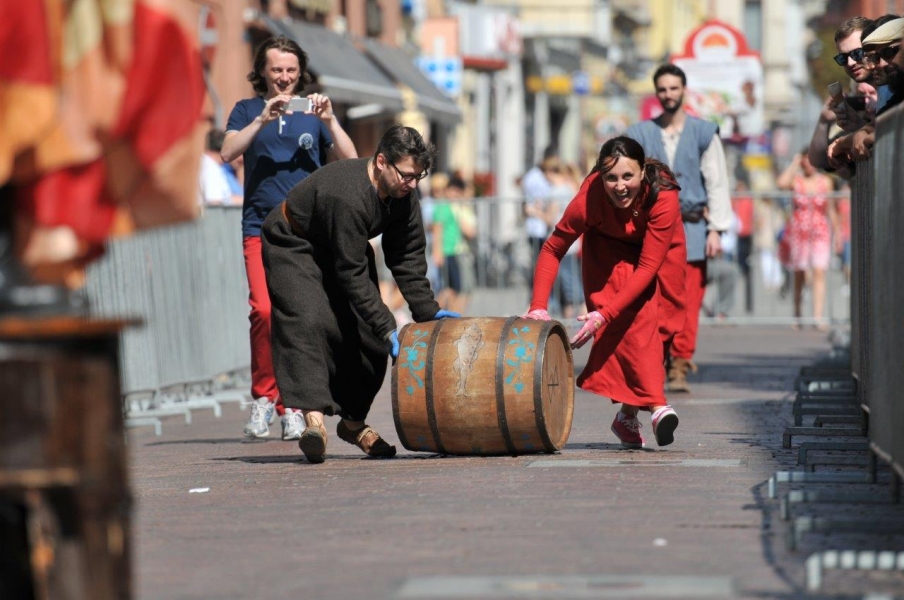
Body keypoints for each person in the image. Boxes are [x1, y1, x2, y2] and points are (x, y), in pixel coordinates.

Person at [260, 125, 459, 463]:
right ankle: (314, 426)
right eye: (407, 175)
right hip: (294, 242)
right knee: (308, 321)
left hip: (342, 248)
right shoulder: (347, 195)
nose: (412, 184)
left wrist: (426, 310)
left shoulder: (404, 194)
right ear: (381, 162)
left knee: (370, 337)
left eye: (418, 177)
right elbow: (351, 274)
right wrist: (387, 324)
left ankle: (353, 424)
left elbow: (407, 255)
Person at [221, 35, 357, 441]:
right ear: (263, 72)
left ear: (301, 73)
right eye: (277, 69)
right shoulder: (247, 109)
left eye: (291, 70)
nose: (284, 77)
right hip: (258, 227)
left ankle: (294, 406)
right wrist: (262, 119)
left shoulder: (313, 112)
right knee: (263, 311)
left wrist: (330, 121)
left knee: (297, 317)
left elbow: (351, 160)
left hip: (303, 232)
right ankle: (264, 398)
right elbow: (227, 152)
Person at [523, 136, 686, 449]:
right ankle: (657, 406)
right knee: (635, 317)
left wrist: (604, 316)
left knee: (665, 323)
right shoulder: (589, 197)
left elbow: (648, 267)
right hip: (608, 248)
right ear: (600, 175)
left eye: (628, 176)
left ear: (643, 172)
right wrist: (538, 307)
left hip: (658, 249)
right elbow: (553, 247)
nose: (620, 186)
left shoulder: (663, 195)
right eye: (611, 177)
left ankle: (626, 417)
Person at [626, 64, 732, 393]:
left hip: (693, 228)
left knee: (688, 300)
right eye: (662, 89)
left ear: (683, 90)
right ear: (656, 92)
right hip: (652, 230)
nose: (668, 94)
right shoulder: (640, 134)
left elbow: (717, 181)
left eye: (674, 88)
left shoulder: (703, 132)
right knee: (652, 301)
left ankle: (680, 364)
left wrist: (716, 229)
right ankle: (654, 362)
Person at [776, 151, 840, 330]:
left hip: (820, 232)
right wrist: (794, 163)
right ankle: (797, 313)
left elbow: (831, 209)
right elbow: (781, 183)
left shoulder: (825, 182)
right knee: (800, 274)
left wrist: (837, 235)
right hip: (799, 233)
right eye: (806, 161)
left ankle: (817, 316)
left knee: (819, 272)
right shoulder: (796, 180)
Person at [432, 174, 477, 315]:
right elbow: (437, 231)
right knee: (447, 289)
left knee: (453, 288)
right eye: (452, 190)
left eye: (458, 191)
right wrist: (437, 252)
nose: (454, 194)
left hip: (454, 252)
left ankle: (451, 315)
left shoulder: (456, 208)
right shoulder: (443, 207)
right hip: (446, 252)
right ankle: (433, 314)